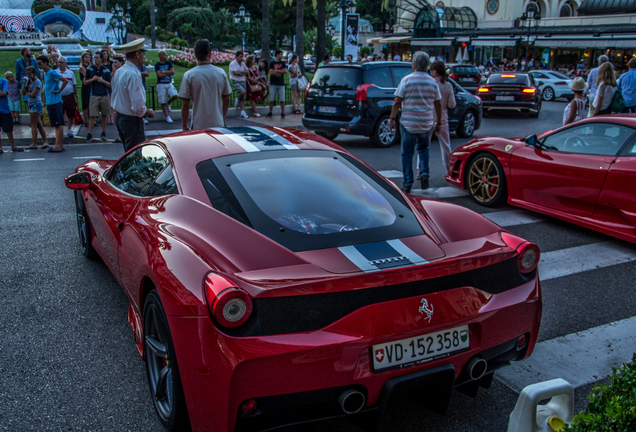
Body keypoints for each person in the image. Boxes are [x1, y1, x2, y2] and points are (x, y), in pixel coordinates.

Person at [389, 51, 441, 192]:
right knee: (424, 150)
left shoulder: (407, 80)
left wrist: (392, 118)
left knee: (407, 153)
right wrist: (439, 123)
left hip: (408, 123)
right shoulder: (433, 82)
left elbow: (397, 101)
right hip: (426, 122)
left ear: (414, 65)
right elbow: (437, 104)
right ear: (427, 66)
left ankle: (407, 182)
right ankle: (424, 174)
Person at [111, 38, 155, 152]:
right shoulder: (133, 74)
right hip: (131, 121)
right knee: (135, 156)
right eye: (143, 54)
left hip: (120, 117)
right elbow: (138, 107)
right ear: (137, 54)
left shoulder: (120, 71)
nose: (144, 57)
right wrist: (147, 112)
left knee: (128, 153)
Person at [178, 38, 231, 131]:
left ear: (195, 54)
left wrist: (184, 125)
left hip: (198, 124)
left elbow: (185, 104)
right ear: (209, 54)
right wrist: (222, 118)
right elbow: (226, 100)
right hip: (218, 124)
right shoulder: (221, 73)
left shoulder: (189, 75)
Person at [37, 55, 67, 152]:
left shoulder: (51, 72)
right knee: (59, 124)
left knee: (57, 125)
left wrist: (59, 91)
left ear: (45, 63)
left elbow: (64, 80)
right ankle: (60, 145)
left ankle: (57, 145)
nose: (38, 65)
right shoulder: (46, 73)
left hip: (54, 102)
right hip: (51, 101)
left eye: (40, 63)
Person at [430, 61, 456, 171]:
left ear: (435, 72)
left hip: (429, 116)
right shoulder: (448, 85)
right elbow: (452, 104)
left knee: (424, 146)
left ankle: (420, 170)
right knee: (446, 145)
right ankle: (448, 168)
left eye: (431, 70)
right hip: (443, 118)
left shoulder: (431, 84)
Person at [84, 51, 112, 143]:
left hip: (104, 94)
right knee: (92, 115)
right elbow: (85, 81)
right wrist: (92, 79)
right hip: (94, 95)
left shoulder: (106, 70)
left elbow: (110, 84)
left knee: (105, 114)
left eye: (97, 58)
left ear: (101, 58)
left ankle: (103, 132)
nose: (95, 59)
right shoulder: (90, 69)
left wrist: (101, 80)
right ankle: (89, 134)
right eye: (94, 58)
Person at [22, 66, 48, 149]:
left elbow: (33, 94)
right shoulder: (29, 82)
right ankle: (45, 141)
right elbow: (23, 92)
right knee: (39, 124)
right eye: (27, 74)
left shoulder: (37, 82)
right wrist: (24, 84)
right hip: (31, 104)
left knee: (33, 125)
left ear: (34, 73)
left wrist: (27, 93)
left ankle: (34, 143)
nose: (28, 75)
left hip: (36, 104)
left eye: (29, 74)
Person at [55, 56, 77, 138]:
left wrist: (76, 97)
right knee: (60, 113)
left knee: (70, 113)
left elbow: (74, 85)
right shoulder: (55, 72)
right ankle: (60, 129)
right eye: (58, 62)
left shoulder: (70, 73)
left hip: (69, 96)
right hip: (59, 96)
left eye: (61, 62)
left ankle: (69, 129)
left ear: (65, 63)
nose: (59, 64)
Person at [0, 71, 22, 153]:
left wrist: (2, 92)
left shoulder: (3, 81)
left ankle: (13, 145)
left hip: (4, 109)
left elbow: (4, 93)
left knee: (9, 129)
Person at [154, 50, 178, 123]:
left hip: (169, 83)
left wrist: (164, 72)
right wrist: (168, 73)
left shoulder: (169, 63)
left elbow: (173, 72)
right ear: (160, 56)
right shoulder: (157, 65)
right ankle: (167, 116)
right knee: (162, 100)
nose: (166, 56)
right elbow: (159, 75)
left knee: (175, 95)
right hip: (161, 84)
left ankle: (168, 103)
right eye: (165, 55)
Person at [229, 51, 249, 119]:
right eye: (240, 56)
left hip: (242, 80)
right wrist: (242, 73)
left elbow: (247, 71)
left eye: (242, 56)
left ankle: (242, 111)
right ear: (236, 57)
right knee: (242, 91)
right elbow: (235, 73)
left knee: (243, 97)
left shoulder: (243, 64)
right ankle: (237, 99)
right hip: (235, 81)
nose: (241, 58)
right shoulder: (232, 64)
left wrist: (240, 72)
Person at [267, 49, 287, 118]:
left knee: (282, 99)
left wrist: (276, 71)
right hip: (273, 83)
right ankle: (270, 112)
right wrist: (280, 71)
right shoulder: (272, 63)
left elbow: (285, 71)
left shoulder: (283, 63)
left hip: (281, 83)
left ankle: (283, 112)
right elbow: (271, 72)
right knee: (271, 99)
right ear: (277, 55)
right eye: (281, 54)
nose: (282, 56)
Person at [79, 50, 92, 126]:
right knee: (85, 103)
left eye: (89, 57)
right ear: (83, 58)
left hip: (90, 85)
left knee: (90, 103)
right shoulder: (82, 67)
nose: (88, 58)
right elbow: (87, 76)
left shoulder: (90, 66)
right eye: (86, 57)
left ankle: (91, 119)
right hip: (85, 86)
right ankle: (86, 120)